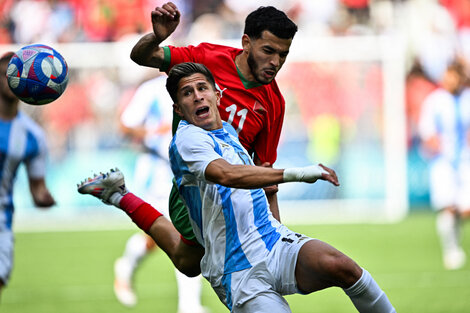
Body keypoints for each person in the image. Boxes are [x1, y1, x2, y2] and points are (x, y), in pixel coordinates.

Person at [77, 62, 396, 312]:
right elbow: (227, 175)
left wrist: (276, 225)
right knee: (185, 257)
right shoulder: (188, 139)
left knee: (344, 268)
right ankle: (119, 194)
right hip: (237, 269)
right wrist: (298, 173)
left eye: (203, 88)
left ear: (218, 96)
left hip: (272, 245)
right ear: (178, 109)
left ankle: (118, 193)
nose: (197, 95)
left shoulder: (229, 132)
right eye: (187, 93)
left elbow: (257, 182)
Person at [130, 2, 296, 243]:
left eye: (283, 54)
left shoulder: (274, 103)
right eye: (268, 51)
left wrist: (278, 236)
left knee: (197, 266)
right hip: (192, 186)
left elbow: (265, 171)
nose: (275, 62)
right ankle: (123, 198)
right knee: (189, 262)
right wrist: (157, 37)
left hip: (233, 194)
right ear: (246, 43)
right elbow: (141, 56)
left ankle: (121, 197)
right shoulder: (206, 58)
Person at [115, 74, 206, 313]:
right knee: (185, 234)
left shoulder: (195, 89)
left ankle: (126, 265)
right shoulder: (150, 90)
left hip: (189, 173)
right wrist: (156, 131)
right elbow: (125, 125)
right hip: (157, 173)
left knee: (164, 238)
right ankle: (189, 306)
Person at [0, 51, 55, 300]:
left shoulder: (33, 135)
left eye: (19, 76)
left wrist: (47, 198)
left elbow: (38, 191)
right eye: (6, 75)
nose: (13, 81)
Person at [418, 60, 470, 270]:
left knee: (465, 209)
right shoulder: (435, 101)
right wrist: (437, 146)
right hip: (443, 163)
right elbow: (427, 132)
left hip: (466, 161)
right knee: (447, 207)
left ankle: (455, 232)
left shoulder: (467, 99)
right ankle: (451, 250)